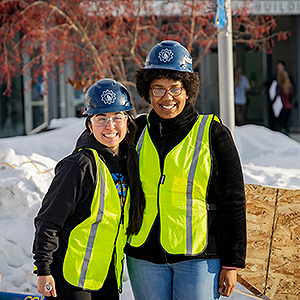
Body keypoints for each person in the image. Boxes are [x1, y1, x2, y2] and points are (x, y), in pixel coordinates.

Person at [124, 40, 247, 300]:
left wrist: (232, 263)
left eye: (175, 88)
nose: (167, 97)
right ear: (148, 91)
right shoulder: (135, 131)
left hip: (199, 259)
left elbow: (233, 200)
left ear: (187, 90)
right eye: (158, 89)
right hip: (144, 255)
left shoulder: (213, 133)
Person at [32, 79, 145, 300]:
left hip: (106, 277)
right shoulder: (79, 166)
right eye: (101, 118)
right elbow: (49, 220)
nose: (110, 126)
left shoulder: (127, 162)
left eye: (117, 118)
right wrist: (44, 270)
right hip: (69, 278)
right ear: (90, 125)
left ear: (127, 122)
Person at [273, 70, 293, 134]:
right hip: (289, 106)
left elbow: (276, 96)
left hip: (281, 107)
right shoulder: (289, 87)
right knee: (286, 124)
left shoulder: (279, 87)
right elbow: (291, 97)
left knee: (280, 124)